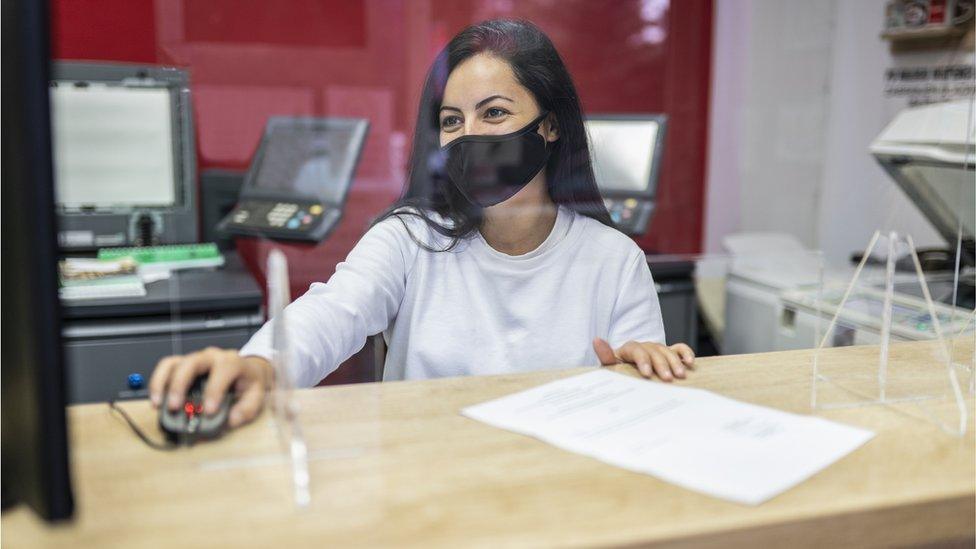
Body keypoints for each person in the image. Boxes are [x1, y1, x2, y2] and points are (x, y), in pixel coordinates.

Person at [149, 19, 695, 428]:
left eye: (495, 113)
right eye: (451, 121)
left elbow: (637, 388)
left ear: (550, 125)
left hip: (555, 484)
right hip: (426, 476)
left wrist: (642, 368)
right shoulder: (409, 238)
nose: (469, 135)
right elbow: (331, 313)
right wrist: (261, 366)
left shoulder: (613, 259)